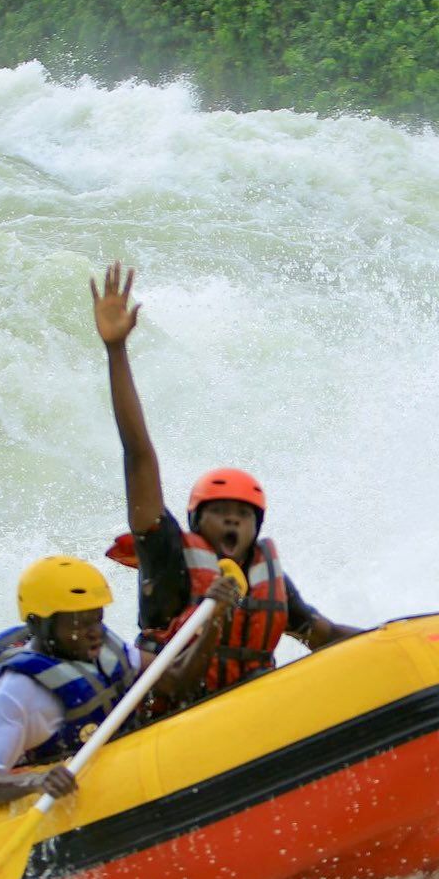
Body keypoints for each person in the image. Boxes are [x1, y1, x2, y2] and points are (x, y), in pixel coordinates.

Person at [92, 261, 360, 700]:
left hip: (241, 715)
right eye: (220, 515)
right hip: (166, 716)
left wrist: (399, 637)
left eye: (243, 516)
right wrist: (117, 351)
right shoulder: (167, 554)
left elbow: (321, 633)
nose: (233, 524)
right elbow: (139, 456)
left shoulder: (263, 574)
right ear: (197, 522)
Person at [0, 554, 239, 806]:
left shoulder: (107, 650)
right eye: (79, 622)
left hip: (131, 774)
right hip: (75, 801)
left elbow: (177, 681)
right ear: (38, 624)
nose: (94, 631)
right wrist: (38, 781)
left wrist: (213, 621)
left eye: (97, 618)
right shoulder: (17, 691)